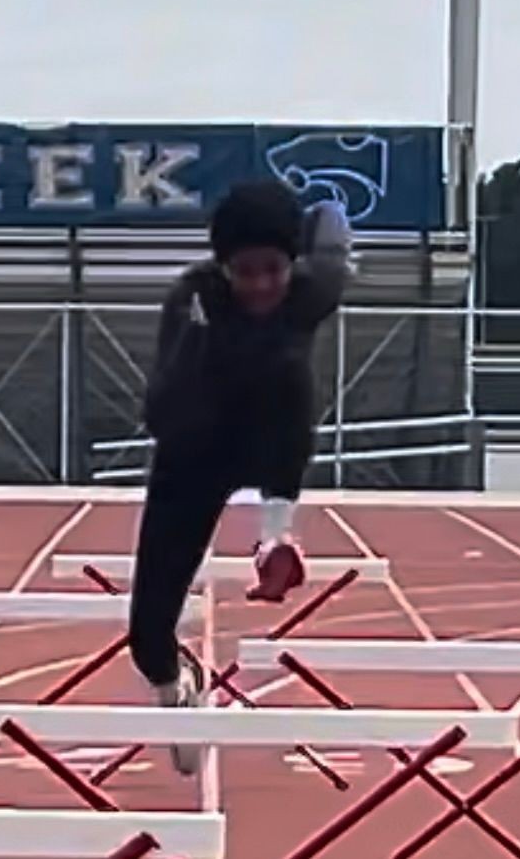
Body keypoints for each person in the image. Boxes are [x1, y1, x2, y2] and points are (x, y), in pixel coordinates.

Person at [128, 179, 353, 775]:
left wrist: (276, 525)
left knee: (289, 378)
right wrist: (204, 343)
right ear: (222, 267)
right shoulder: (192, 297)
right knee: (146, 634)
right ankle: (178, 682)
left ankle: (275, 537)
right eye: (244, 272)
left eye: (271, 270)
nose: (258, 285)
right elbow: (160, 410)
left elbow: (330, 224)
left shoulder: (312, 291)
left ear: (292, 263)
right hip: (194, 445)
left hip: (264, 439)